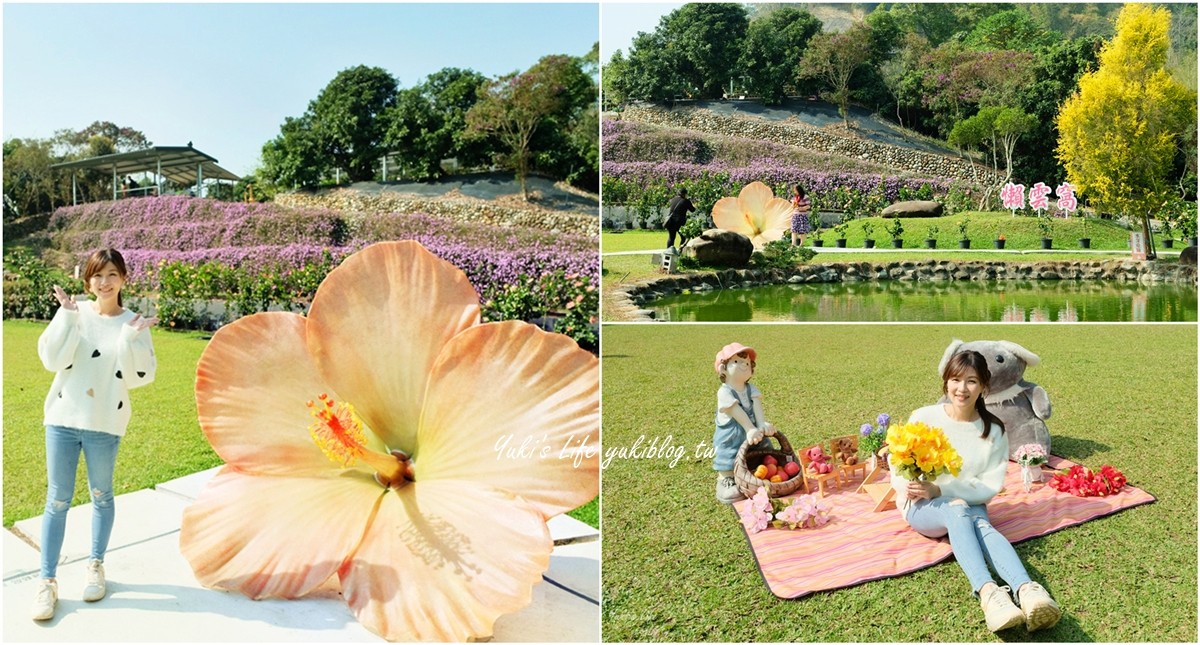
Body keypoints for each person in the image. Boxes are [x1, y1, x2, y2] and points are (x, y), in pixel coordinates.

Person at [890, 350, 1061, 633]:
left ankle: (1028, 591)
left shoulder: (992, 429)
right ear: (946, 382)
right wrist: (908, 486)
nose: (961, 388)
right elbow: (896, 462)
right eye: (955, 379)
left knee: (978, 521)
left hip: (972, 502)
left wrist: (940, 487)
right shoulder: (924, 416)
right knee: (956, 508)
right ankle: (989, 594)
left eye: (971, 381)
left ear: (984, 386)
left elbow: (991, 485)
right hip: (921, 506)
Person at [32, 248, 157, 621]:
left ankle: (95, 565)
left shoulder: (133, 322)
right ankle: (47, 581)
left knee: (102, 495)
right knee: (57, 500)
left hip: (105, 423)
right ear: (87, 280)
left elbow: (141, 377)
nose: (104, 283)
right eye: (97, 275)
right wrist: (68, 318)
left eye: (111, 274)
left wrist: (129, 340)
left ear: (123, 279)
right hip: (62, 419)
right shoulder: (75, 312)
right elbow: (52, 360)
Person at [712, 343, 775, 504]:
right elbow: (736, 411)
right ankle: (727, 479)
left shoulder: (751, 389)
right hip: (733, 435)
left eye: (747, 363)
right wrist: (749, 429)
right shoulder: (724, 392)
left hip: (753, 433)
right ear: (723, 368)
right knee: (729, 455)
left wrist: (761, 425)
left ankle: (758, 472)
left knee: (763, 449)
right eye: (736, 362)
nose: (743, 366)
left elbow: (757, 408)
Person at [664, 187, 696, 253]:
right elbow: (692, 210)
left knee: (671, 237)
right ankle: (680, 252)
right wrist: (693, 204)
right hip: (680, 222)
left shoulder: (673, 199)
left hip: (671, 221)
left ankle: (668, 252)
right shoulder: (686, 201)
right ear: (684, 194)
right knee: (683, 237)